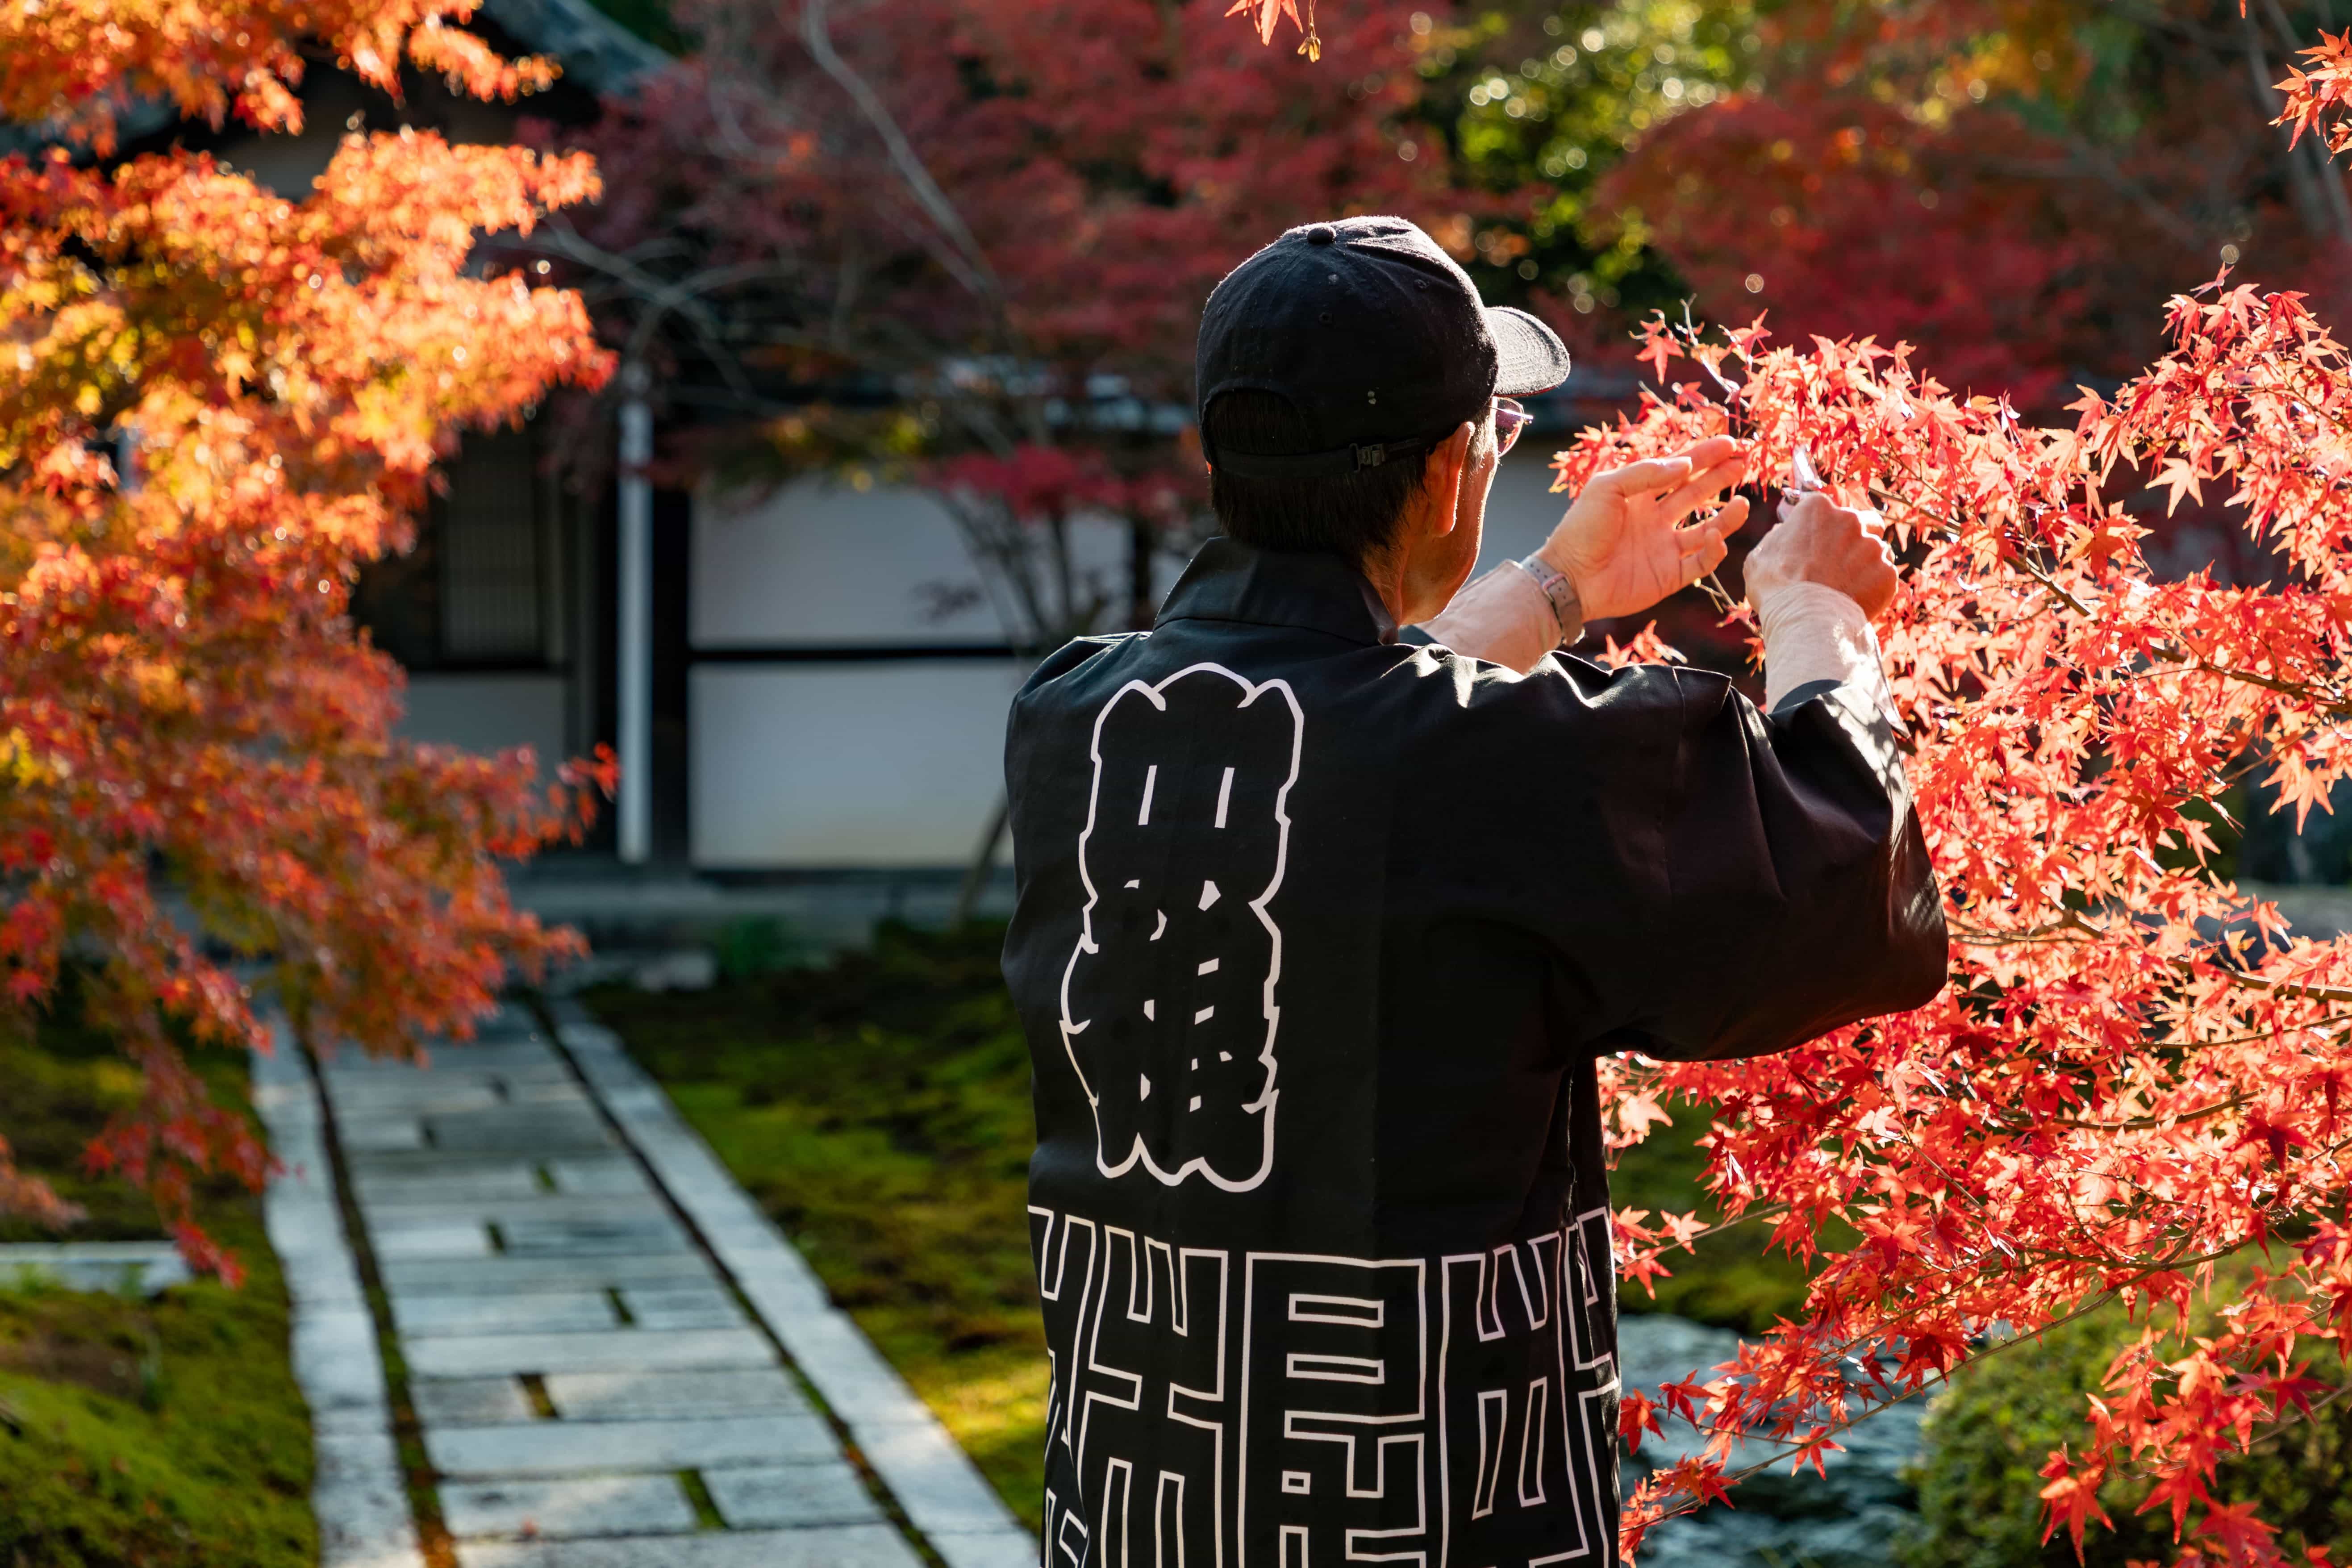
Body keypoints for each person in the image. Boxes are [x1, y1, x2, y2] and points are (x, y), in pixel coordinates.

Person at [998, 214, 1945, 1568]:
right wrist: (1816, 614)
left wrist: (1552, 591)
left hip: (1143, 1483)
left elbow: (1353, 735)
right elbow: (1850, 888)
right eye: (1496, 427)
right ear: (1453, 466)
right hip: (1419, 1499)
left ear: (1220, 455)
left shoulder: (1074, 712)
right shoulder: (1500, 755)